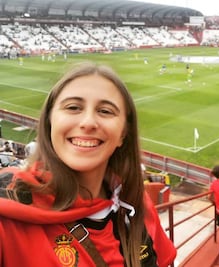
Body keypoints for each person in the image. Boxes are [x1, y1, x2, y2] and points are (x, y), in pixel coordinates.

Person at [0, 62, 176, 267]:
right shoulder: (8, 216)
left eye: (105, 111)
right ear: (49, 122)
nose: (88, 122)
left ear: (123, 134)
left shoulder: (137, 204)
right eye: (73, 107)